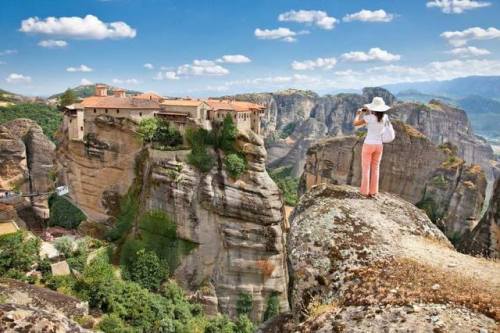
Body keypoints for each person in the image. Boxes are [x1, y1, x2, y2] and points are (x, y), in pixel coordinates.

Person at [352, 96, 391, 198]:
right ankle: (373, 192)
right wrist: (370, 111)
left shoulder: (368, 118)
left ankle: (364, 192)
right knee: (376, 168)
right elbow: (378, 117)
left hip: (368, 145)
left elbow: (355, 124)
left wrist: (358, 114)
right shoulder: (385, 117)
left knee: (366, 169)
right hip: (379, 145)